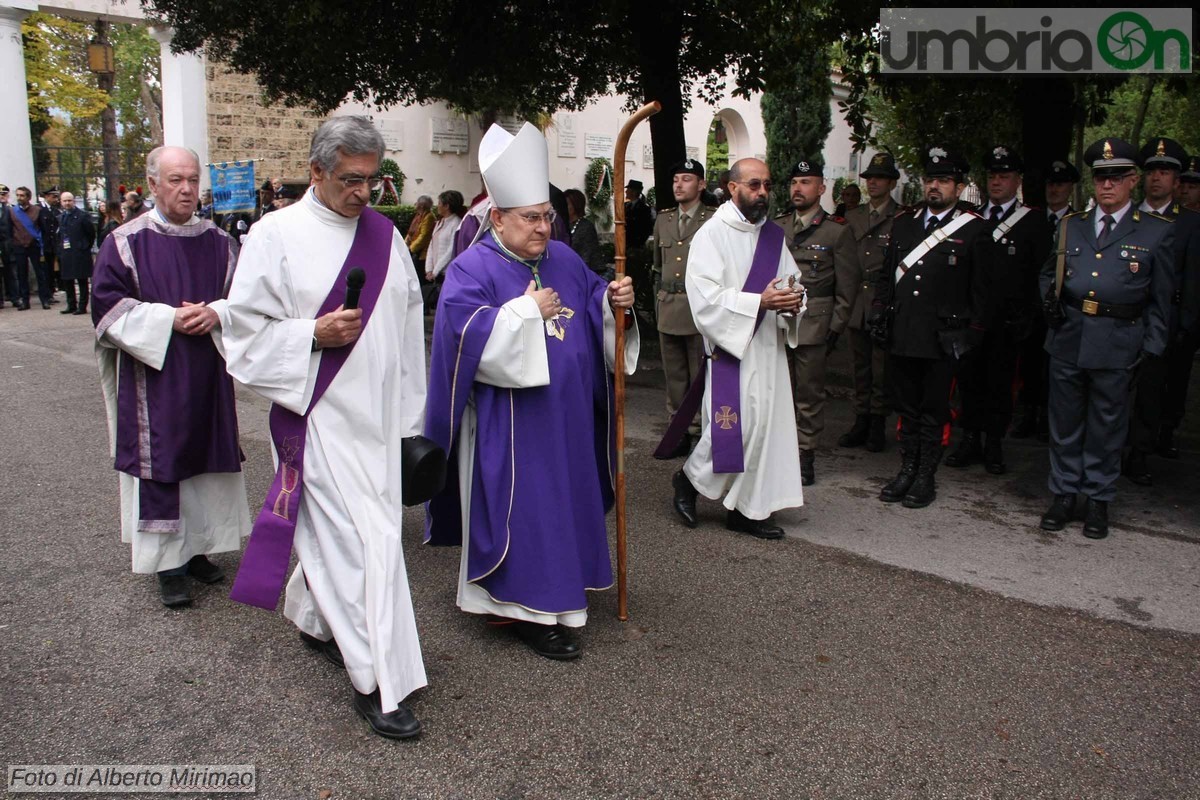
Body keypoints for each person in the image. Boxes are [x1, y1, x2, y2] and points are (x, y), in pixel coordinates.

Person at [222, 117, 428, 740]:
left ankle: (316, 620)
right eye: (349, 180)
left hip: (379, 421)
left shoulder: (386, 237)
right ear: (315, 173)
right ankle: (377, 683)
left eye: (372, 180)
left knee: (363, 537)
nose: (363, 193)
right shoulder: (274, 234)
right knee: (370, 547)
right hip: (321, 420)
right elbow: (242, 333)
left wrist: (409, 420)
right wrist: (309, 334)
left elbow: (407, 328)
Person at [424, 122, 638, 662]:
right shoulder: (470, 268)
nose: (544, 228)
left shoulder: (563, 259)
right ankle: (527, 610)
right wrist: (522, 313)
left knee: (562, 504)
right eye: (531, 218)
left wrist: (618, 304)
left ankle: (564, 595)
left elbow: (593, 310)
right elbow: (461, 336)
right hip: (511, 423)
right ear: (497, 217)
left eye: (548, 216)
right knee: (528, 510)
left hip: (566, 418)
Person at [89, 146, 250, 608]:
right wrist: (166, 320)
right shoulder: (125, 241)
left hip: (207, 374)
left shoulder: (220, 243)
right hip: (154, 378)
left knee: (205, 458)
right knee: (164, 461)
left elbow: (244, 300)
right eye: (175, 180)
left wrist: (215, 312)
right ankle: (167, 564)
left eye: (192, 180)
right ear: (154, 184)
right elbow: (106, 306)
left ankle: (197, 549)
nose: (186, 189)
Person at [1038, 138, 1174, 539]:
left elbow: (1161, 299)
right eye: (1101, 178)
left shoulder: (1155, 232)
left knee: (1107, 425)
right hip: (1069, 336)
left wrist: (1151, 347)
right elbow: (1048, 274)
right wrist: (1051, 309)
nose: (1107, 186)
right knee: (1063, 422)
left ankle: (1098, 497)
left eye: (1116, 178)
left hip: (1119, 341)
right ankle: (1064, 493)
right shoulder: (1070, 225)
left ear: (1133, 180)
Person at [669, 158, 805, 539]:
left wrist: (795, 300)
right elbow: (704, 298)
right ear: (732, 188)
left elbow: (792, 280)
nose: (762, 193)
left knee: (764, 429)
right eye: (754, 185)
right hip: (732, 348)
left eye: (766, 185)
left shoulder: (772, 237)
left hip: (768, 348)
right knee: (734, 430)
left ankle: (747, 510)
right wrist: (757, 303)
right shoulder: (711, 235)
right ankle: (689, 480)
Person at [869, 147, 993, 509]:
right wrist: (879, 310)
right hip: (904, 330)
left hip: (943, 337)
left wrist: (974, 333)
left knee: (934, 409)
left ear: (959, 187)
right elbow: (886, 274)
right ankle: (906, 468)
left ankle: (926, 475)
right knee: (906, 407)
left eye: (943, 180)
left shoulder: (973, 229)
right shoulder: (905, 222)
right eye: (930, 180)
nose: (935, 186)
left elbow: (982, 290)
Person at [944, 147, 1051, 475]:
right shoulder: (970, 220)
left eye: (1004, 176)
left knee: (1000, 384)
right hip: (970, 319)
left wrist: (1031, 315)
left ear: (1017, 180)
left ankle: (993, 442)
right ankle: (970, 438)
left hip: (1008, 321)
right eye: (992, 176)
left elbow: (1040, 272)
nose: (997, 182)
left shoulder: (1033, 222)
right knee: (969, 381)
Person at [775, 159, 857, 485]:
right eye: (794, 182)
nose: (798, 188)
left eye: (806, 182)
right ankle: (780, 450)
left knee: (809, 394)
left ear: (821, 188)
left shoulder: (837, 231)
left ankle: (805, 453)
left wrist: (835, 328)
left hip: (814, 325)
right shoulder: (778, 226)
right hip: (779, 321)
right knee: (779, 390)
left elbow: (847, 288)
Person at [1124, 137, 1200, 482]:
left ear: (1176, 180)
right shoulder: (1129, 216)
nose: (1157, 178)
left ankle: (1139, 452)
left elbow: (1194, 276)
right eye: (1152, 170)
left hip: (1166, 320)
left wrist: (1185, 326)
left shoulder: (1189, 223)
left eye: (1165, 171)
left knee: (1153, 392)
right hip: (1125, 319)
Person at [1013, 158, 1080, 441]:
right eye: (1051, 184)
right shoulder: (1032, 220)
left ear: (1071, 188)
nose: (1055, 189)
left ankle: (1049, 418)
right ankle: (1029, 414)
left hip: (1063, 307)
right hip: (1033, 306)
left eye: (1061, 184)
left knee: (1057, 366)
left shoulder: (1079, 223)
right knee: (1030, 362)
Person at [652, 159, 713, 458]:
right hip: (669, 306)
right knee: (674, 375)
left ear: (701, 185)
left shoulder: (712, 220)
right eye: (676, 179)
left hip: (697, 308)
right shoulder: (663, 219)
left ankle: (698, 431)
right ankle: (677, 428)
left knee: (699, 373)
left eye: (686, 179)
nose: (678, 184)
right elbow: (656, 267)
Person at [840, 152, 901, 452]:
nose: (873, 182)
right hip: (856, 302)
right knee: (859, 365)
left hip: (881, 300)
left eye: (879, 178)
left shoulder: (901, 218)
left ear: (891, 183)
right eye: (869, 178)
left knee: (882, 367)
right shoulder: (852, 217)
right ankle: (860, 418)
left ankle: (878, 421)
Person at [7, 187, 55, 310]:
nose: (19, 198)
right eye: (17, 195)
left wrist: (43, 245)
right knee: (22, 274)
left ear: (28, 197)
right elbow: (8, 231)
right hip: (19, 246)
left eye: (22, 195)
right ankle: (25, 301)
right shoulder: (12, 211)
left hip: (35, 246)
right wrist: (12, 245)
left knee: (40, 273)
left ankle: (45, 299)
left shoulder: (37, 210)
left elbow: (43, 229)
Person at [55, 192, 96, 315]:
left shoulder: (83, 216)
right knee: (68, 280)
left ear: (73, 201)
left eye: (69, 200)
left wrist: (84, 246)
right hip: (66, 253)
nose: (67, 203)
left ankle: (82, 306)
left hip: (80, 253)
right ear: (61, 202)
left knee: (82, 280)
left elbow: (90, 234)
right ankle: (71, 304)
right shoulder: (60, 217)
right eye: (65, 201)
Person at [564, 188, 609, 279]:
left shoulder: (586, 226)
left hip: (587, 272)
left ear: (576, 205)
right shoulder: (564, 224)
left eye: (566, 204)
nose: (563, 207)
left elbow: (586, 255)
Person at [425, 189, 466, 284]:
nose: (437, 206)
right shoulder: (440, 222)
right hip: (435, 274)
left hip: (446, 273)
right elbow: (432, 245)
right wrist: (429, 269)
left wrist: (435, 271)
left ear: (447, 206)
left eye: (439, 203)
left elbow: (451, 251)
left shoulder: (456, 223)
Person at [405, 195, 435, 275]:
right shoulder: (419, 215)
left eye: (417, 203)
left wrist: (411, 249)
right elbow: (411, 232)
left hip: (421, 253)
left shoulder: (429, 217)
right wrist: (406, 243)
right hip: (415, 249)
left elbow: (423, 236)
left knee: (417, 274)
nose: (415, 204)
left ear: (421, 205)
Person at [624, 179, 654, 248]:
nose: (626, 191)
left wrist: (639, 243)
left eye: (628, 189)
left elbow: (647, 228)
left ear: (634, 192)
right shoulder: (625, 205)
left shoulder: (644, 208)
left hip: (636, 244)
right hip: (625, 243)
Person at [0, 184, 16, 308]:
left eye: (5, 194)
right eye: (1, 194)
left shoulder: (11, 209)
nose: (3, 197)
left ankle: (14, 297)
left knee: (10, 272)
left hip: (8, 245)